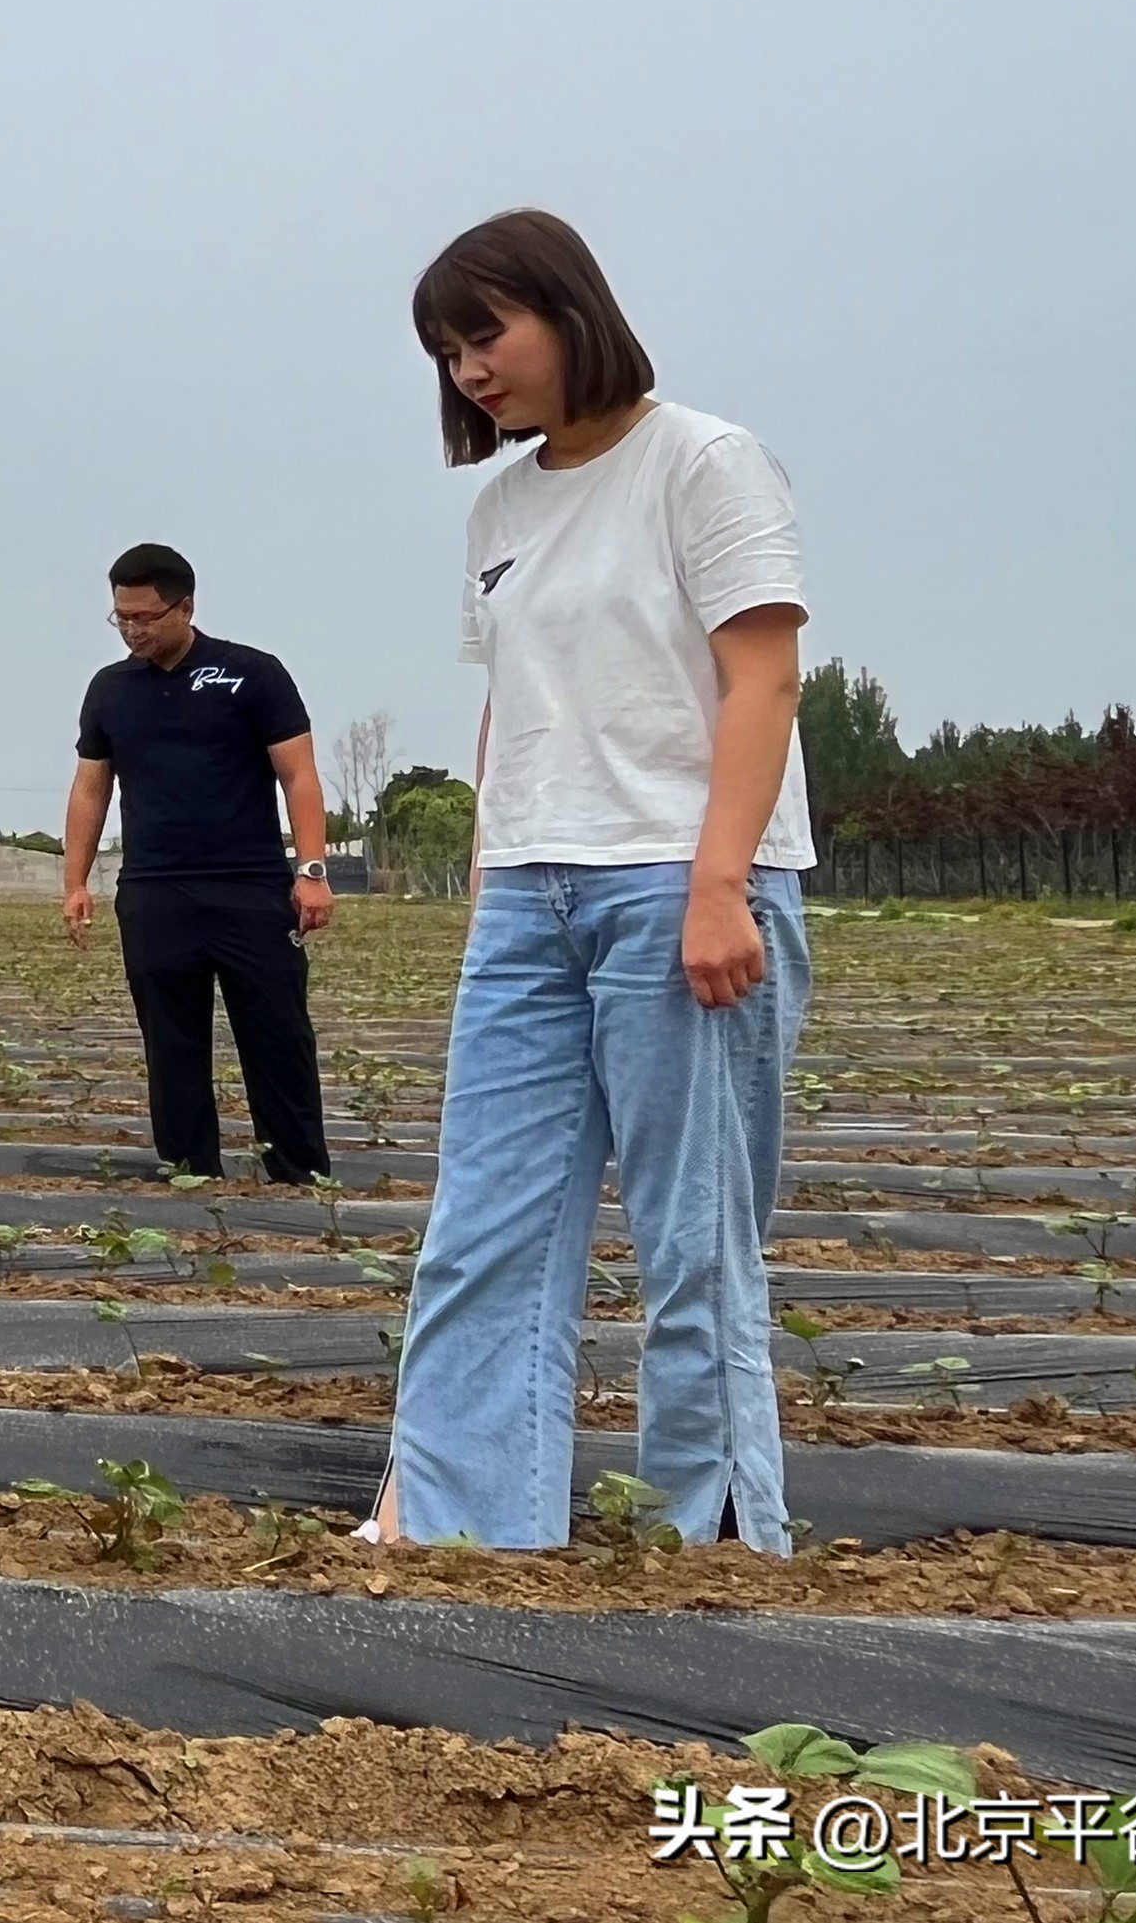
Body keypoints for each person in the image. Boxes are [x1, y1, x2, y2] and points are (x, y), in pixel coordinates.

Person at [373, 209, 815, 1554]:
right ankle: (452, 1514)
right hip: (528, 892)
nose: (468, 370)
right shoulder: (499, 509)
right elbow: (512, 709)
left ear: (568, 312)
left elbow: (762, 677)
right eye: (445, 351)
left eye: (484, 334)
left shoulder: (702, 462)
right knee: (481, 1220)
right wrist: (484, 880)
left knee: (690, 1235)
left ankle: (714, 1531)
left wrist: (716, 882)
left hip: (673, 884)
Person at [61, 543, 336, 1183]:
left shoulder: (252, 674)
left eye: (146, 617)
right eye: (121, 618)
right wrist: (74, 881)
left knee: (277, 1037)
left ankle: (300, 1175)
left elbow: (298, 776)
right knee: (171, 1044)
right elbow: (90, 787)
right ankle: (190, 1174)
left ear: (185, 606)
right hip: (155, 891)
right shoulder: (110, 690)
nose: (133, 630)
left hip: (250, 888)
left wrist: (313, 869)